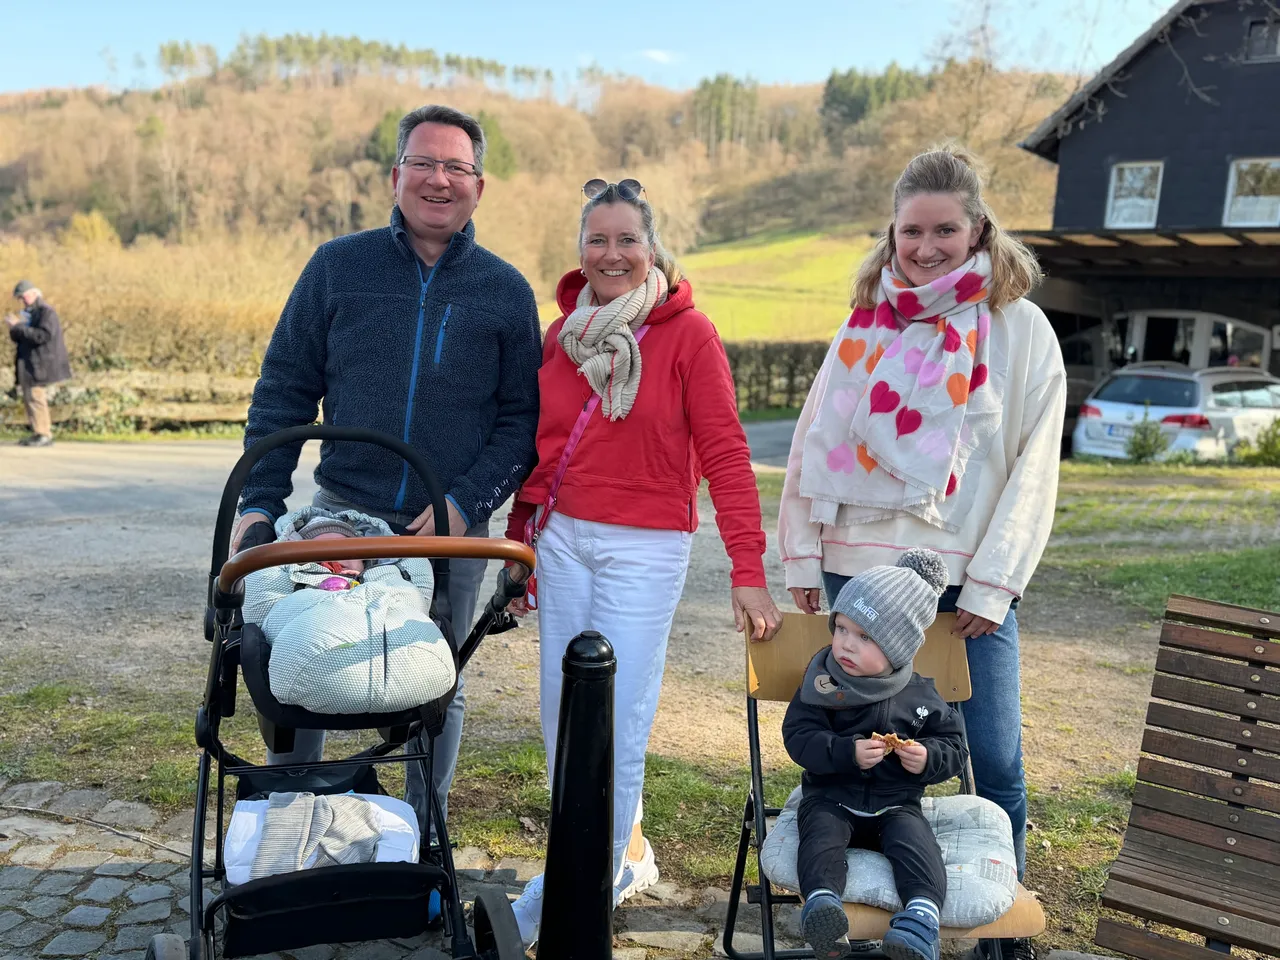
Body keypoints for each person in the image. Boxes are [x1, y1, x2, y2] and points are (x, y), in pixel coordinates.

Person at [780, 145, 1065, 960]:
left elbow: (1034, 465)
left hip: (966, 586)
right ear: (892, 234)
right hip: (857, 579)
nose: (928, 246)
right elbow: (811, 442)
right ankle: (870, 917)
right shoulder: (864, 321)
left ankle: (990, 918)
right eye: (912, 231)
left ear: (978, 228)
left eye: (946, 229)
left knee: (991, 757)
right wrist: (802, 558)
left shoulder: (1018, 330)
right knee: (852, 758)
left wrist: (997, 581)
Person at [230, 105, 542, 835]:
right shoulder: (338, 267)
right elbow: (282, 391)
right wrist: (257, 502)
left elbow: (520, 421)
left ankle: (416, 835)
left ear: (479, 185)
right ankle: (290, 826)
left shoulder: (505, 291)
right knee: (305, 666)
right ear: (396, 173)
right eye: (424, 163)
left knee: (436, 677)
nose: (440, 179)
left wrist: (467, 502)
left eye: (456, 167)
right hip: (340, 515)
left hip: (449, 531)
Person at [503, 177, 783, 947]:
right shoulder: (561, 335)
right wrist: (522, 538)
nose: (613, 253)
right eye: (598, 239)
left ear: (652, 248)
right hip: (562, 539)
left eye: (628, 239)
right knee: (563, 710)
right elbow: (543, 447)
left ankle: (584, 884)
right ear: (580, 250)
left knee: (618, 711)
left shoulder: (689, 334)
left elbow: (726, 450)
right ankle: (613, 851)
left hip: (645, 544)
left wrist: (747, 566)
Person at [783, 549, 964, 960]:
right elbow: (798, 735)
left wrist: (927, 757)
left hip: (896, 804)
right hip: (831, 795)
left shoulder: (921, 693)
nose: (846, 644)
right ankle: (823, 907)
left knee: (917, 845)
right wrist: (844, 752)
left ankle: (920, 921)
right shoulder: (823, 680)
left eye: (865, 637)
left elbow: (955, 747)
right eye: (843, 628)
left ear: (898, 650)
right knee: (820, 837)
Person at [7, 280, 71, 447]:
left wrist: (19, 327)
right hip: (28, 363)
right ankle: (38, 432)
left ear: (35, 293)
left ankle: (44, 433)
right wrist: (15, 328)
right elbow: (20, 337)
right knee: (29, 397)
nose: (22, 300)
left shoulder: (46, 312)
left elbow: (42, 336)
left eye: (24, 296)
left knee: (36, 397)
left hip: (40, 362)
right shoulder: (28, 313)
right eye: (20, 298)